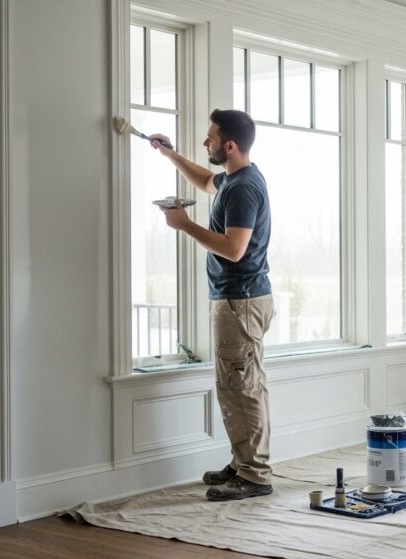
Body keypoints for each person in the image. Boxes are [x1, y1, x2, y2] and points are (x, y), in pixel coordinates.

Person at [149, 109, 275, 501]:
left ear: (230, 145)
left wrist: (184, 224)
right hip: (237, 299)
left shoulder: (243, 188)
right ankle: (243, 463)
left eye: (211, 138)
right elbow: (206, 180)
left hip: (240, 300)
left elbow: (235, 249)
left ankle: (254, 475)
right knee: (238, 385)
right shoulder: (233, 179)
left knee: (242, 387)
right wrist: (170, 154)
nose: (206, 143)